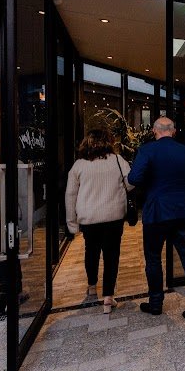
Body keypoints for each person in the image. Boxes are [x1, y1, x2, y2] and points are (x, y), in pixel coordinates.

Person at [128, 117, 185, 319]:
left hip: (157, 212)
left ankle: (156, 304)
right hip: (184, 211)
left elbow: (134, 178)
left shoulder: (147, 150)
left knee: (153, 258)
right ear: (173, 131)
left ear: (155, 131)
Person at [65, 129, 133, 314]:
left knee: (91, 252)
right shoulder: (118, 160)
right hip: (113, 216)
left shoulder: (79, 165)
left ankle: (92, 287)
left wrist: (72, 223)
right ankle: (108, 297)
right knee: (112, 255)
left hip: (89, 218)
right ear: (109, 142)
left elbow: (70, 195)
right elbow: (131, 183)